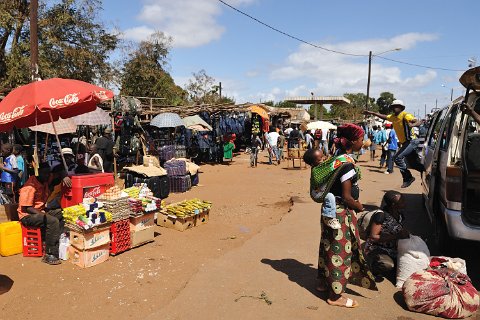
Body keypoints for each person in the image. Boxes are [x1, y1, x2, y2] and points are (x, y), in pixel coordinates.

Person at [315, 123, 377, 308]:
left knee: (327, 246)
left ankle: (323, 282)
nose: (363, 142)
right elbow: (348, 196)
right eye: (360, 139)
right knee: (340, 251)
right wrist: (359, 206)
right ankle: (335, 296)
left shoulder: (337, 158)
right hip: (341, 212)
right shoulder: (347, 165)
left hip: (329, 211)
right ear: (352, 142)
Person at [364, 100, 421, 188]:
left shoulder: (405, 115)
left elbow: (417, 121)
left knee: (397, 158)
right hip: (405, 143)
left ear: (401, 108)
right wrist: (372, 112)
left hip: (411, 141)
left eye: (397, 106)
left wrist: (413, 125)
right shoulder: (393, 117)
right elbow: (384, 116)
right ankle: (425, 173)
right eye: (394, 106)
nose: (395, 108)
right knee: (414, 164)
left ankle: (408, 178)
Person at [18, 163, 62, 265]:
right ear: (38, 173)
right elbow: (27, 208)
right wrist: (45, 215)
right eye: (45, 173)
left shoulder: (44, 180)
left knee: (62, 213)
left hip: (40, 211)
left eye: (48, 173)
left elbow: (59, 173)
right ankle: (49, 254)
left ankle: (54, 241)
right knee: (52, 220)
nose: (48, 175)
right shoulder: (29, 187)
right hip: (27, 216)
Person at [360, 191, 410, 276]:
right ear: (393, 205)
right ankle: (374, 266)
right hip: (378, 248)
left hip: (393, 248)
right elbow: (373, 237)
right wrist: (397, 236)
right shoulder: (381, 216)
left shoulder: (400, 215)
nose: (404, 202)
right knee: (388, 265)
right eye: (401, 201)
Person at [303, 148, 341, 229]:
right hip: (317, 193)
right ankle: (328, 217)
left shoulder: (322, 166)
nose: (323, 159)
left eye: (323, 156)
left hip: (323, 190)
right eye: (320, 159)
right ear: (313, 163)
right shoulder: (316, 170)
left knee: (331, 197)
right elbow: (318, 180)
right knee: (330, 197)